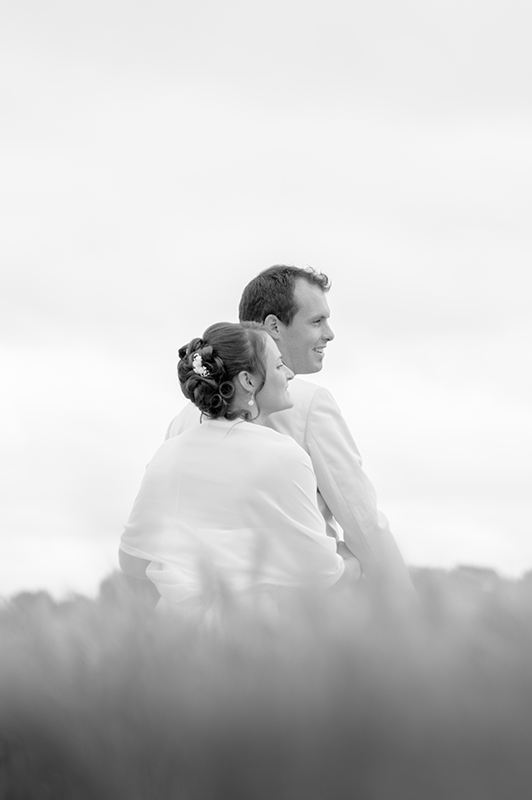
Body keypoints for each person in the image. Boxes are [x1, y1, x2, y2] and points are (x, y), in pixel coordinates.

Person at [166, 266, 414, 599]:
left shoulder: (181, 423)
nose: (329, 333)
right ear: (273, 326)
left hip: (199, 613)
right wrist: (406, 607)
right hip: (296, 615)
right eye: (316, 321)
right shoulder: (309, 404)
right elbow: (362, 521)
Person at [119, 322, 359, 620]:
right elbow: (320, 575)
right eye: (279, 364)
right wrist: (351, 563)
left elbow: (131, 561)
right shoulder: (284, 456)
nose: (289, 374)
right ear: (247, 380)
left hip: (171, 636)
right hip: (249, 632)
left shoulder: (167, 454)